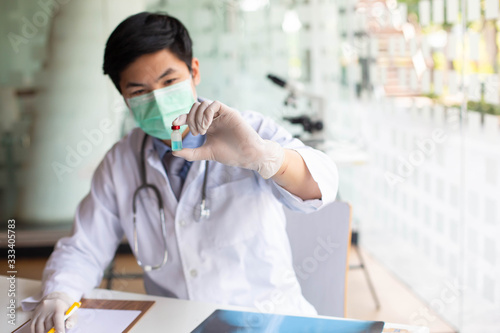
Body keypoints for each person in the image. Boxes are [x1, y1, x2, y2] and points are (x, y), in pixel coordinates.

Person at [23, 12, 338, 333]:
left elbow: (321, 186)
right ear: (123, 96)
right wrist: (60, 292)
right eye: (139, 91)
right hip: (174, 325)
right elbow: (83, 248)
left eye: (169, 81)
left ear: (194, 71)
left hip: (269, 322)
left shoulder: (249, 131)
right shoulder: (120, 162)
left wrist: (261, 156)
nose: (158, 100)